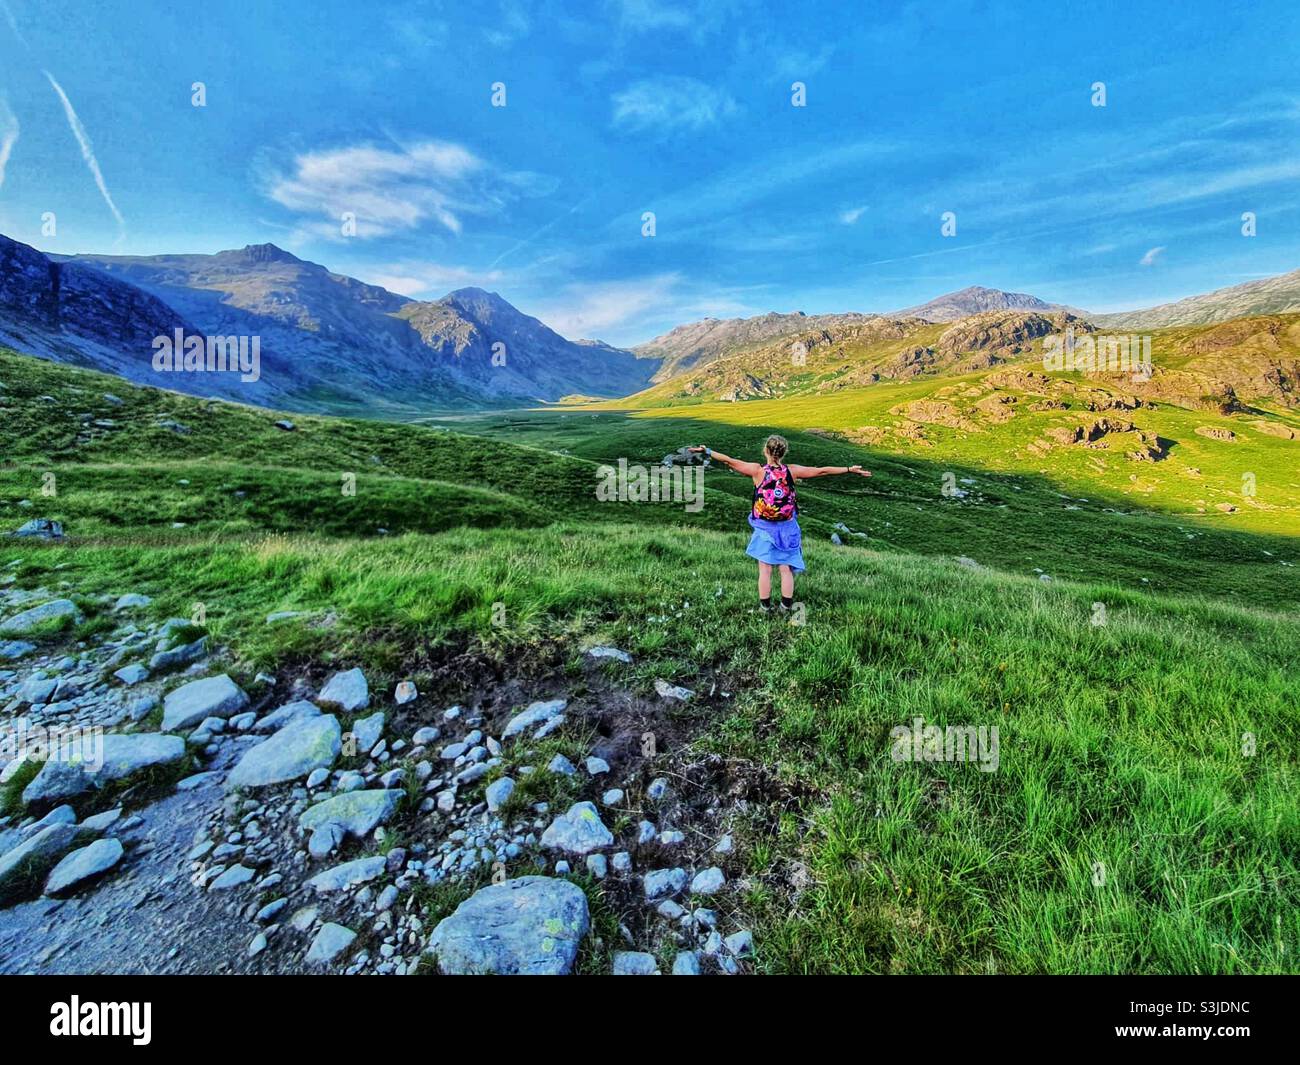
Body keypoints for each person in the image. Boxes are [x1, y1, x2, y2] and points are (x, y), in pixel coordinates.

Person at [690, 435, 871, 612]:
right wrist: (848, 469)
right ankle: (785, 606)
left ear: (765, 451)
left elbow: (729, 461)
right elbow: (820, 471)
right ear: (784, 452)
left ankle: (765, 607)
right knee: (786, 570)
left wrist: (707, 450)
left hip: (764, 528)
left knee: (765, 570)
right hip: (788, 527)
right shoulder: (791, 471)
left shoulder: (757, 471)